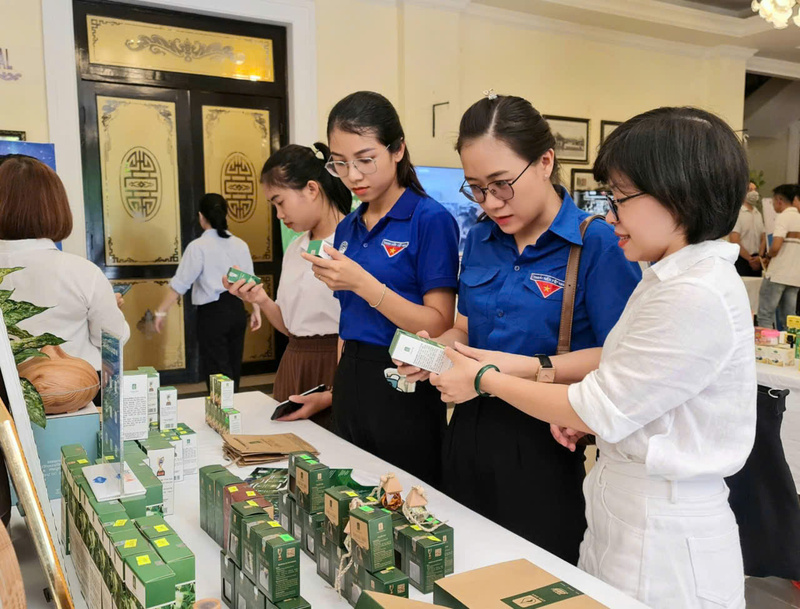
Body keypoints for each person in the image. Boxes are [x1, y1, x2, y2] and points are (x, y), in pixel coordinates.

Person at [427, 107, 755, 608]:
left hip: (660, 534)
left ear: (678, 196)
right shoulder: (666, 279)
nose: (611, 215)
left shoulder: (693, 293)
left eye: (621, 199)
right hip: (620, 505)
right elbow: (631, 386)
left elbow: (599, 401)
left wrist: (486, 378)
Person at [397, 94, 641, 564]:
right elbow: (466, 328)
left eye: (501, 184)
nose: (491, 202)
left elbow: (620, 357)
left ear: (545, 161)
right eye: (476, 189)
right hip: (466, 430)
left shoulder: (597, 243)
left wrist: (512, 371)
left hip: (545, 441)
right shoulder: (480, 237)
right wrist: (432, 351)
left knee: (536, 581)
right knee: (460, 570)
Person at [302, 91, 460, 486]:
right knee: (349, 493)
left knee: (406, 498)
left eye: (365, 160)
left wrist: (365, 284)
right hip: (351, 376)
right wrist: (337, 387)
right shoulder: (347, 227)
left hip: (404, 374)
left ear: (397, 149)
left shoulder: (429, 219)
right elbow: (347, 321)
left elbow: (439, 323)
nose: (353, 176)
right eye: (340, 164)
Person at [225, 144, 351, 427]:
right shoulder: (296, 248)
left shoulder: (354, 242)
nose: (279, 214)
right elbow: (291, 327)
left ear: (312, 189)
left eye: (280, 202)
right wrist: (260, 299)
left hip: (338, 367)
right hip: (294, 364)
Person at [0, 155, 129, 370]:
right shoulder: (83, 273)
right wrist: (108, 307)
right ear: (55, 206)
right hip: (76, 387)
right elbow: (112, 340)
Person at [155, 193, 260, 390]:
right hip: (237, 310)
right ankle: (233, 405)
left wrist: (161, 311)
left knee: (217, 370)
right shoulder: (240, 244)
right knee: (233, 366)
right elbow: (250, 280)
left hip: (212, 314)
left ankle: (223, 408)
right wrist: (256, 310)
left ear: (201, 216)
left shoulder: (198, 247)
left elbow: (181, 283)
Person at [757, 184, 800, 330]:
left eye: (773, 201)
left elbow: (776, 246)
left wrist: (767, 256)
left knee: (765, 315)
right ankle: (793, 344)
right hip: (795, 276)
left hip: (778, 274)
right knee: (790, 319)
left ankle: (767, 344)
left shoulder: (783, 217)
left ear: (779, 200)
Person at [729, 188, 764, 277]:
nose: (754, 192)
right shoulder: (737, 213)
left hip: (757, 259)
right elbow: (734, 240)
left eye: (755, 189)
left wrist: (759, 257)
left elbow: (763, 237)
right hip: (742, 258)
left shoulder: (758, 213)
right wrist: (749, 259)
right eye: (750, 190)